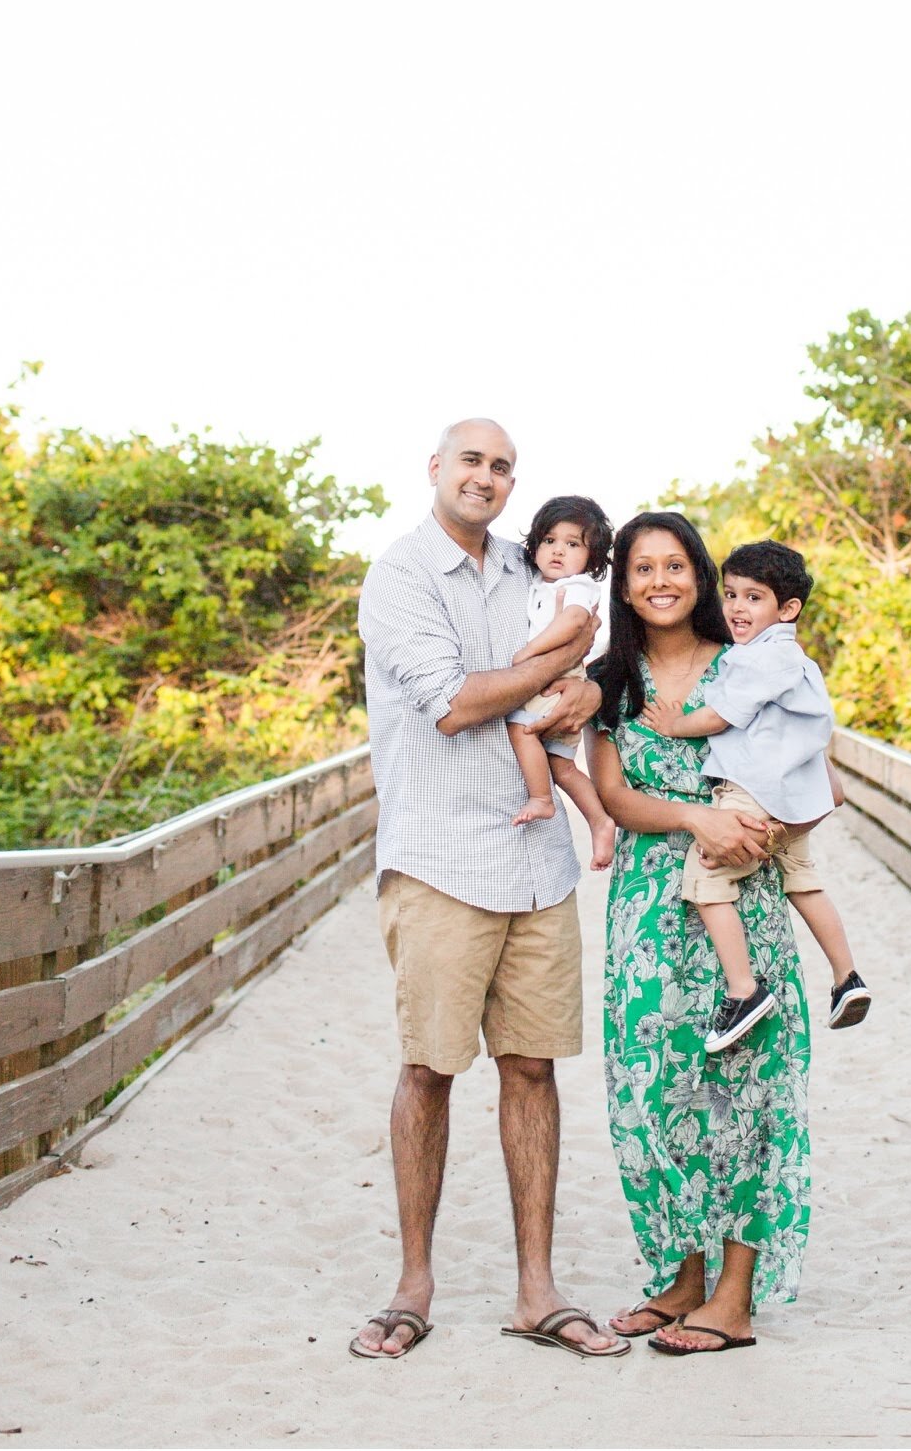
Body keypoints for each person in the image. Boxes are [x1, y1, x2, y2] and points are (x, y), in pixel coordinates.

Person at [349, 418, 629, 1365]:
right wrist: (562, 665)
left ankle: (535, 1289)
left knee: (533, 1067)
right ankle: (413, 1285)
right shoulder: (400, 577)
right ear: (435, 469)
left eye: (503, 466)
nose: (487, 477)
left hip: (538, 861)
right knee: (429, 1069)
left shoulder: (533, 567)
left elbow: (600, 651)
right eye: (471, 460)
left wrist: (592, 690)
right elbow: (458, 701)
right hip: (437, 858)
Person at [586, 512, 812, 1357]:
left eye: (675, 563)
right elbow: (612, 792)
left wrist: (754, 828)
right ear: (624, 582)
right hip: (647, 908)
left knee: (745, 1091)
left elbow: (807, 760)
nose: (659, 580)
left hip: (741, 900)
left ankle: (734, 1296)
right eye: (642, 567)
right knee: (649, 1094)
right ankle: (680, 1273)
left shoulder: (750, 661)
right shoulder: (614, 677)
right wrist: (691, 817)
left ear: (703, 574)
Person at [661, 539, 870, 1050]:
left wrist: (675, 723)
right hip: (795, 794)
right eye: (730, 594)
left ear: (787, 609)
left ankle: (744, 990)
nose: (736, 607)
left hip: (755, 791)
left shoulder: (762, 659)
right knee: (801, 878)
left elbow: (722, 716)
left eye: (753, 598)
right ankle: (847, 977)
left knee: (705, 875)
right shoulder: (795, 660)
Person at [509, 495, 618, 868]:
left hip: (558, 678)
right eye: (549, 540)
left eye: (572, 544)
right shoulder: (539, 583)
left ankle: (541, 799)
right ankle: (600, 821)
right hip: (561, 676)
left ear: (593, 557)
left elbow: (573, 623)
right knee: (563, 766)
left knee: (521, 729)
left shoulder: (577, 585)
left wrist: (528, 653)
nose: (558, 551)